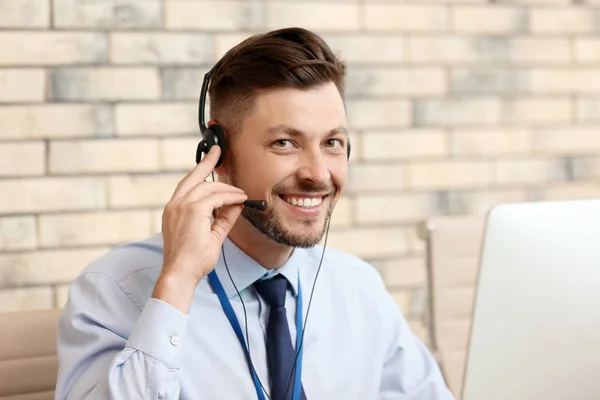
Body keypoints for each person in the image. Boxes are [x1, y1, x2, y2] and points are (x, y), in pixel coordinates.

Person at [55, 27, 454, 400]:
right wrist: (177, 283)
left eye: (332, 142)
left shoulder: (359, 288)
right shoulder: (114, 289)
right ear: (219, 153)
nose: (318, 173)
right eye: (285, 142)